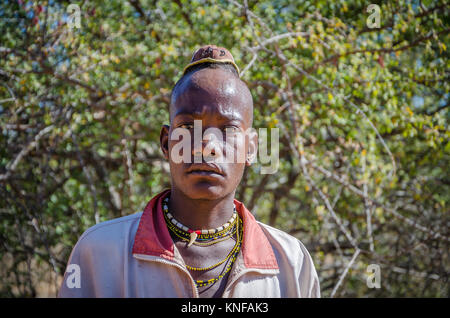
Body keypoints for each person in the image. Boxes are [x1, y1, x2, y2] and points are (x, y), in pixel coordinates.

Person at [58, 45, 320, 298]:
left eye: (228, 130)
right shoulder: (100, 252)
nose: (207, 146)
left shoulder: (290, 263)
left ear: (251, 148)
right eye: (188, 127)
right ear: (165, 142)